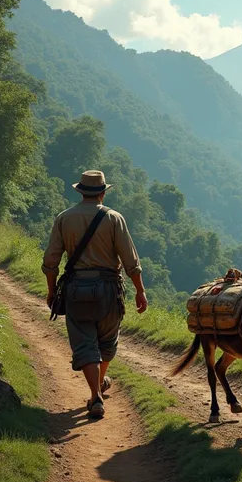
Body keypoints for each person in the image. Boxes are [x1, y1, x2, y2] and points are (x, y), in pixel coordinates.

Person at [42, 170, 148, 419]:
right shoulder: (114, 218)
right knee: (107, 343)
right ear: (103, 192)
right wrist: (140, 291)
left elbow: (51, 261)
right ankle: (97, 388)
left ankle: (96, 394)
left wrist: (50, 290)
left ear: (80, 191)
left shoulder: (64, 218)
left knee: (84, 343)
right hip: (109, 291)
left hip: (76, 290)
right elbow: (130, 260)